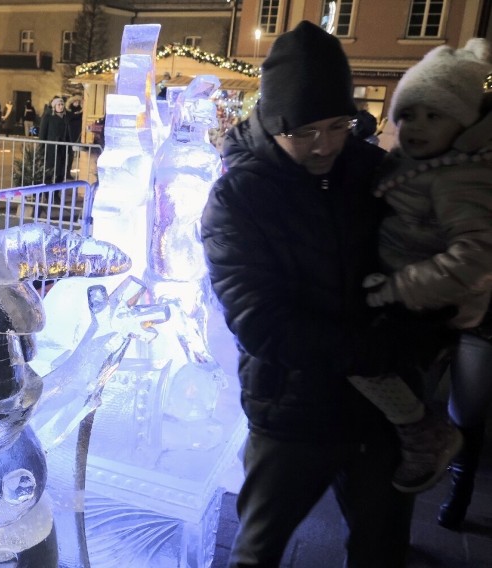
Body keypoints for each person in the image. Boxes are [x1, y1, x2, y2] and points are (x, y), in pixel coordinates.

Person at [201, 21, 454, 568]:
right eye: (306, 132)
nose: (326, 146)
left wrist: (426, 329)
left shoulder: (373, 172)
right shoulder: (236, 198)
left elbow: (428, 253)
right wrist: (374, 351)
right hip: (291, 412)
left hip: (379, 414)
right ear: (273, 124)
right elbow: (259, 322)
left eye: (339, 125)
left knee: (381, 549)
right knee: (258, 550)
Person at [360, 38, 492, 530]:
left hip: (424, 302)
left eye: (435, 116)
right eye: (409, 114)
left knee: (364, 359)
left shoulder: (461, 176)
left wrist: (397, 288)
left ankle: (427, 439)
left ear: (463, 124)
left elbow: (474, 255)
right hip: (409, 291)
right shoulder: (418, 164)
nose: (417, 127)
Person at [38, 96, 71, 184]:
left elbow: (68, 134)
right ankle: (47, 193)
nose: (61, 106)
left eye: (62, 104)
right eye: (58, 105)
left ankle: (56, 194)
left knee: (60, 172)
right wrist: (41, 148)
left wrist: (69, 148)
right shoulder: (48, 117)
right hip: (50, 149)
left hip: (62, 149)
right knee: (49, 171)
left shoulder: (65, 118)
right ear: (54, 106)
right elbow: (42, 134)